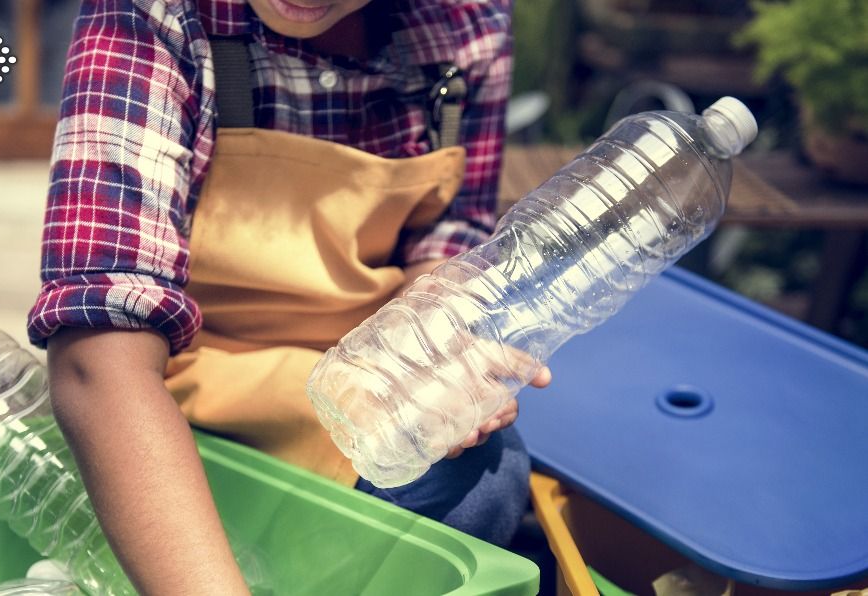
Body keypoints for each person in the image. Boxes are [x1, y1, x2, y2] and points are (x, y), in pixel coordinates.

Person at [28, 0, 551, 592]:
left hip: (352, 387)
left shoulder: (467, 24)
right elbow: (96, 361)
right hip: (181, 393)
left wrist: (432, 356)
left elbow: (447, 235)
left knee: (485, 475)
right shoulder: (156, 16)